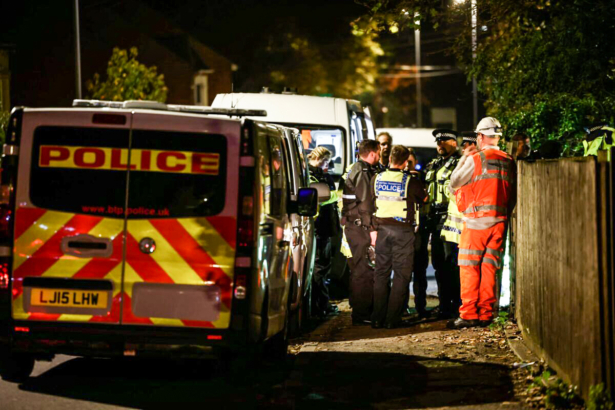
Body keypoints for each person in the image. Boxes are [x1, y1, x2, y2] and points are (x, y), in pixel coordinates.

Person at [449, 117, 515, 328]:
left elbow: (454, 182)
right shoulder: (508, 159)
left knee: (469, 267)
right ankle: (487, 313)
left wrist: (463, 159)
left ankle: (468, 314)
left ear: (480, 136)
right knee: (489, 268)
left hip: (476, 222)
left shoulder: (476, 158)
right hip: (499, 222)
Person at [371, 145, 427, 329]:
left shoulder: (377, 178)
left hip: (382, 230)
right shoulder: (410, 180)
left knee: (381, 274)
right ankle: (392, 318)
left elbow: (373, 200)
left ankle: (378, 318)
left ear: (388, 160)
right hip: (403, 231)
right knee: (402, 275)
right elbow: (424, 199)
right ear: (404, 163)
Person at [413, 129, 461, 320]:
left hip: (450, 217)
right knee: (439, 264)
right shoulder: (433, 164)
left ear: (454, 143)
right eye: (438, 142)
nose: (439, 144)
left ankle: (456, 305)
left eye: (444, 141)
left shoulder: (459, 164)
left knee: (451, 263)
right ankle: (444, 304)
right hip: (432, 218)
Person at [342, 139, 381, 326]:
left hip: (354, 226)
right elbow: (366, 205)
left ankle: (363, 311)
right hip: (360, 227)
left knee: (361, 269)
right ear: (372, 153)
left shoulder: (356, 168)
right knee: (363, 270)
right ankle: (362, 313)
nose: (380, 156)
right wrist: (372, 230)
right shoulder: (362, 172)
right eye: (379, 152)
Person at [439, 131, 477, 318]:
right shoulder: (463, 164)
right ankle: (450, 306)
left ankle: (462, 307)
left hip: (466, 229)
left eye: (466, 145)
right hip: (452, 229)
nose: (463, 149)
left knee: (464, 272)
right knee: (449, 270)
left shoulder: (475, 165)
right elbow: (450, 188)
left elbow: (454, 190)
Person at [308, 147, 340, 318]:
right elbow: (323, 196)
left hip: (324, 228)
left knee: (323, 267)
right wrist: (338, 195)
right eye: (327, 160)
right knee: (320, 268)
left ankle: (321, 303)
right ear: (320, 158)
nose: (328, 164)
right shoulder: (310, 175)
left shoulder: (319, 174)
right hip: (318, 228)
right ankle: (320, 305)